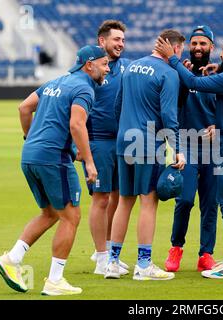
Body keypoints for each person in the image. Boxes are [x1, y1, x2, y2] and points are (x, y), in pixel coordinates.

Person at [0, 45, 109, 295]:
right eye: (104, 63)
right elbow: (77, 125)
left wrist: (29, 136)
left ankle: (11, 259)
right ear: (89, 64)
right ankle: (55, 280)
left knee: (50, 213)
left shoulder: (56, 82)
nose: (107, 68)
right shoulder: (84, 88)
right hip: (53, 159)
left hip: (31, 155)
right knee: (71, 216)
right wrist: (89, 161)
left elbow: (24, 107)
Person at [155, 34, 223, 279]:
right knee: (189, 200)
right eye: (194, 43)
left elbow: (194, 81)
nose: (200, 48)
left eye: (222, 50)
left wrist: (172, 58)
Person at [104, 29, 186, 281]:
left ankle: (112, 262)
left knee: (124, 201)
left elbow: (117, 104)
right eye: (180, 50)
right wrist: (177, 150)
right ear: (174, 48)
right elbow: (170, 117)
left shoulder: (131, 67)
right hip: (149, 144)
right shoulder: (169, 73)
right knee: (148, 202)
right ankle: (143, 264)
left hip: (124, 140)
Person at [164, 25, 218, 273]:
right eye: (194, 43)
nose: (198, 48)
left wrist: (218, 125)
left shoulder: (219, 75)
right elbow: (170, 107)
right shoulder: (178, 73)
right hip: (186, 141)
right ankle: (176, 247)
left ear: (211, 47)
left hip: (215, 145)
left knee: (210, 202)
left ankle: (206, 253)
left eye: (203, 43)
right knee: (184, 200)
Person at [84, 20, 130, 276]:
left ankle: (110, 252)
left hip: (121, 142)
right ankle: (101, 257)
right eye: (116, 40)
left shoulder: (126, 67)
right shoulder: (91, 69)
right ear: (102, 41)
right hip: (98, 141)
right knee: (100, 199)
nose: (121, 44)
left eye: (123, 40)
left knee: (117, 198)